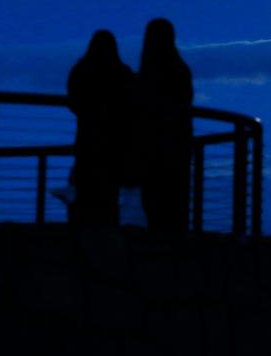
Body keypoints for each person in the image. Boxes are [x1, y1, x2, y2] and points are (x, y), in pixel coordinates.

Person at [67, 30, 135, 227]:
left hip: (87, 140)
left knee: (86, 189)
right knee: (109, 193)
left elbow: (73, 101)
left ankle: (85, 234)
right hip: (115, 144)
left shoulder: (81, 70)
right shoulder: (122, 72)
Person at [137, 18, 194, 231]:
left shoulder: (148, 71)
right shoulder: (179, 69)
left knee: (154, 197)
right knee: (174, 197)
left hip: (151, 146)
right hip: (176, 144)